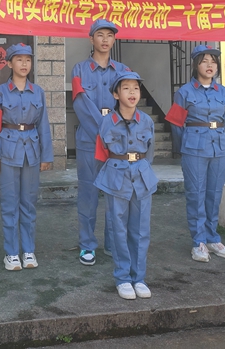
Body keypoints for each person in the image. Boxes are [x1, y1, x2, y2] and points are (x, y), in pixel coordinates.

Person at [0, 43, 53, 271]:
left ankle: (28, 251)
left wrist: (46, 156)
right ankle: (11, 253)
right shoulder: (0, 92)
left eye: (28, 60)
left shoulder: (38, 92)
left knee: (29, 203)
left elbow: (43, 126)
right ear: (10, 63)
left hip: (32, 152)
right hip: (7, 151)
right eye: (19, 60)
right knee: (9, 203)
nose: (24, 64)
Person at [165, 44, 225, 263]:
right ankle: (199, 241)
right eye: (204, 61)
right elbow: (176, 123)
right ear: (196, 65)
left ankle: (213, 238)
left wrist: (215, 135)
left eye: (213, 61)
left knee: (214, 193)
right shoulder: (184, 92)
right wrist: (187, 145)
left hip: (218, 148)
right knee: (196, 194)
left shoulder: (223, 92)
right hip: (194, 148)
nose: (209, 65)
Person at [71, 19, 131, 266]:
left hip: (117, 142)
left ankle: (112, 242)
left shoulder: (123, 71)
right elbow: (81, 104)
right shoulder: (79, 70)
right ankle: (87, 245)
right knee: (88, 194)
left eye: (110, 35)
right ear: (91, 39)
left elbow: (128, 102)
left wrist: (114, 134)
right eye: (100, 35)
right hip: (89, 139)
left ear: (114, 40)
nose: (105, 40)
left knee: (115, 194)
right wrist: (105, 131)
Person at [94, 71, 158, 300]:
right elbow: (101, 151)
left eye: (136, 88)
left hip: (141, 176)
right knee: (118, 228)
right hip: (116, 177)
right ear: (116, 94)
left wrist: (140, 168)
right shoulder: (107, 122)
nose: (132, 93)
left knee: (141, 229)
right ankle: (122, 278)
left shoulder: (147, 121)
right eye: (126, 88)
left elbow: (149, 153)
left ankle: (138, 278)